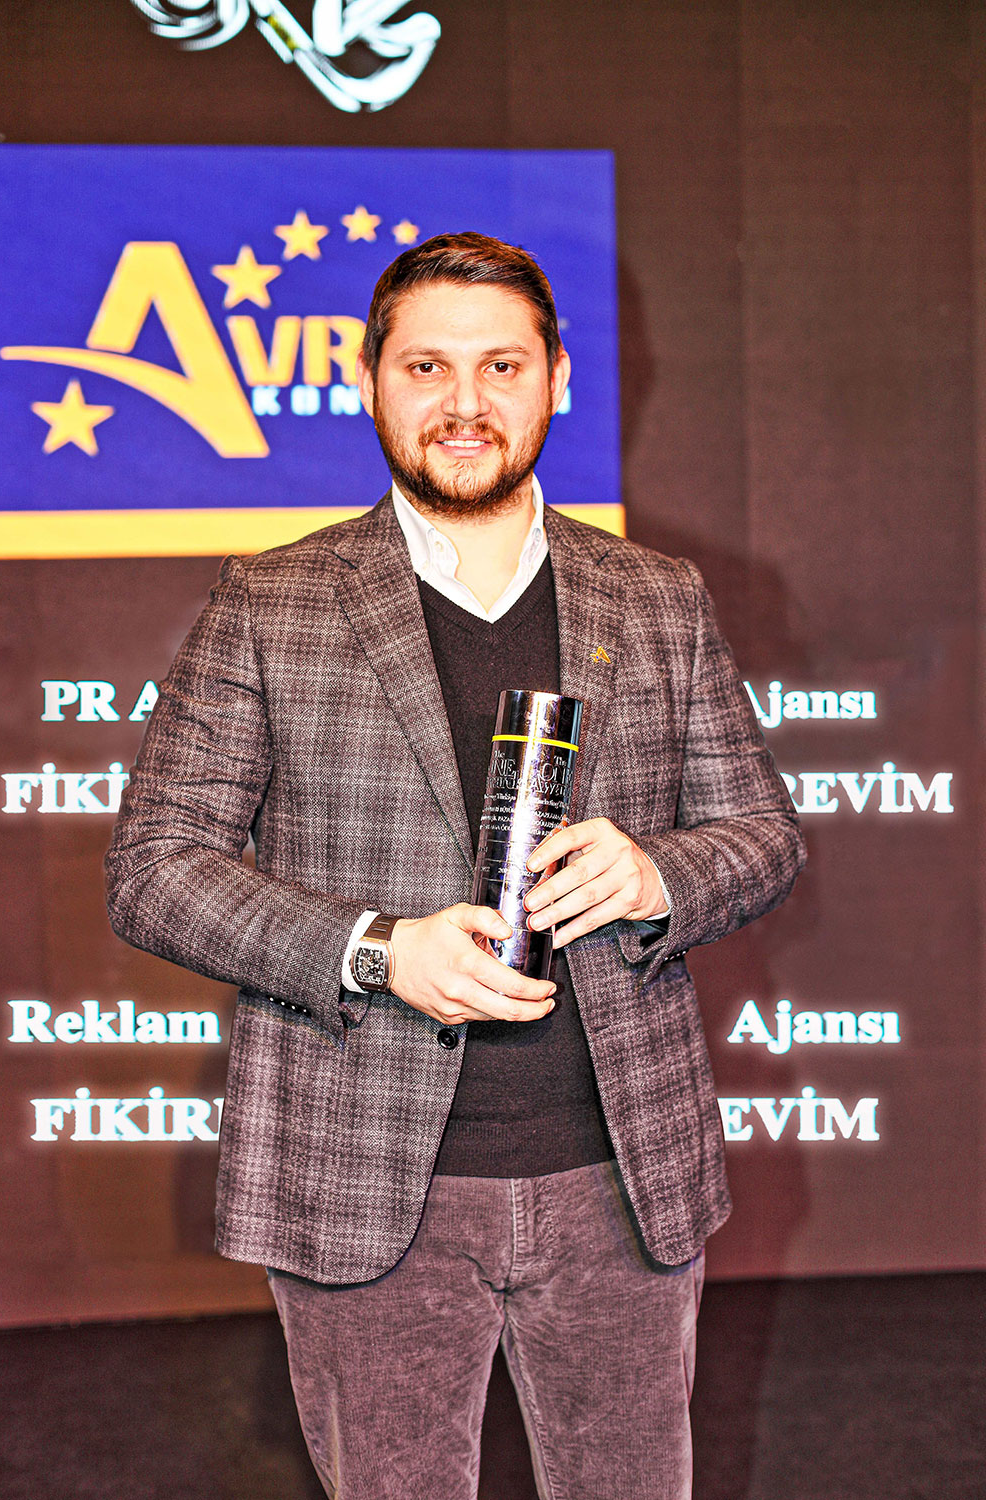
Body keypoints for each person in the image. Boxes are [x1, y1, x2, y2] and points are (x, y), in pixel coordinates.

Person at [106, 232, 805, 1500]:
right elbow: (155, 868)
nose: (465, 402)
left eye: (502, 366)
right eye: (426, 366)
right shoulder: (270, 602)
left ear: (558, 380)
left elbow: (760, 835)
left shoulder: (657, 598)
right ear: (369, 381)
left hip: (620, 1182)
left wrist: (658, 878)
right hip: (365, 1181)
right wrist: (378, 950)